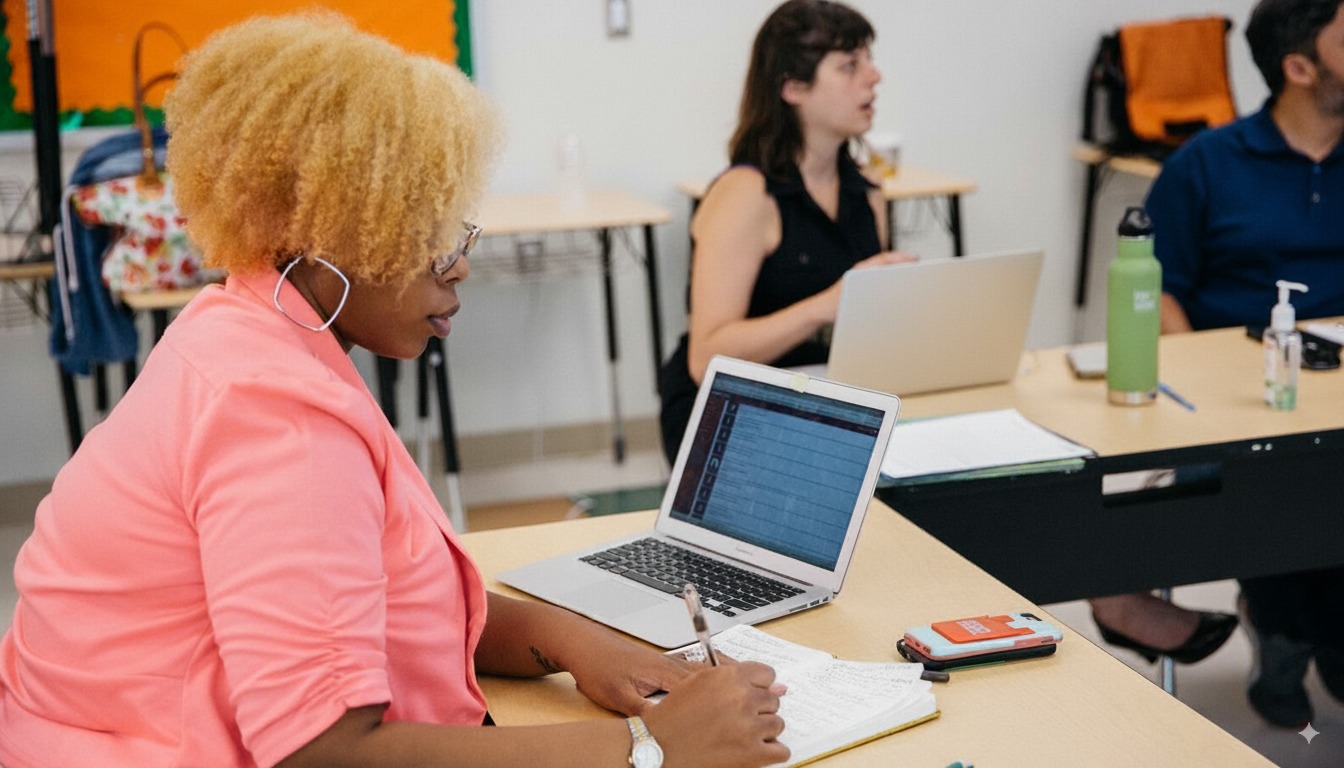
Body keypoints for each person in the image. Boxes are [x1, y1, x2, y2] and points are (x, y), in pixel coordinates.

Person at [0, 15, 790, 768]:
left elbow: (376, 598)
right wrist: (653, 750)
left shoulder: (249, 322)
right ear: (325, 235)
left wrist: (573, 639)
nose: (458, 266)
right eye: (430, 237)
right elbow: (325, 751)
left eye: (458, 231)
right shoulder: (278, 422)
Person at [1142, 0, 1344, 728]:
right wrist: (1199, 384)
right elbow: (1156, 287)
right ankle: (1292, 625)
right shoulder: (1207, 164)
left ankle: (1301, 626)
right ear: (1299, 67)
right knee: (1281, 475)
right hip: (1240, 412)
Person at [657, 0, 914, 465]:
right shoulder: (746, 194)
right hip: (728, 411)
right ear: (794, 87)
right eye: (850, 65)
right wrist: (828, 305)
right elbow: (707, 356)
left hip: (818, 394)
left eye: (869, 61)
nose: (874, 77)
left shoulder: (867, 190)